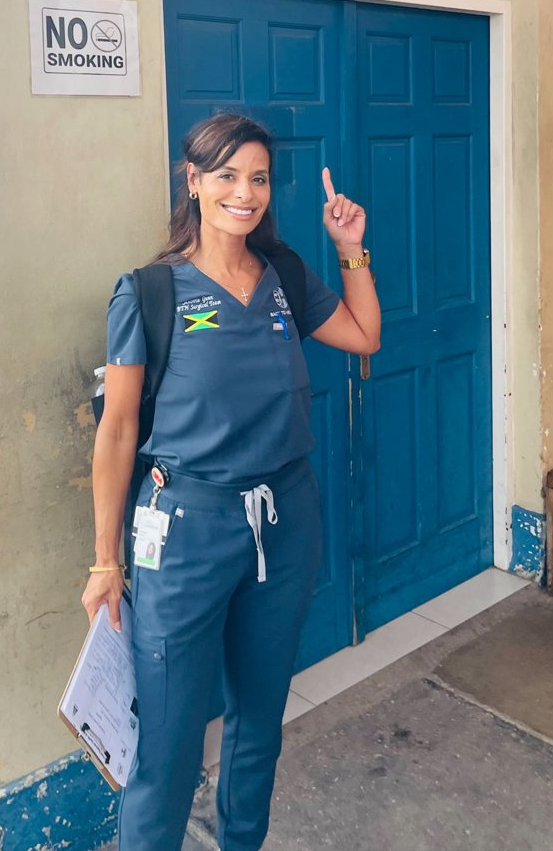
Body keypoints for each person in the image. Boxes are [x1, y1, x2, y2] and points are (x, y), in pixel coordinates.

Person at [82, 113, 381, 851]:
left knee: (257, 723)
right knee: (169, 746)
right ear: (193, 181)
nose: (243, 194)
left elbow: (364, 336)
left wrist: (351, 250)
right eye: (225, 176)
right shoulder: (150, 292)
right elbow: (118, 431)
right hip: (183, 531)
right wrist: (105, 561)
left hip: (284, 521)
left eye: (256, 178)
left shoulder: (281, 273)